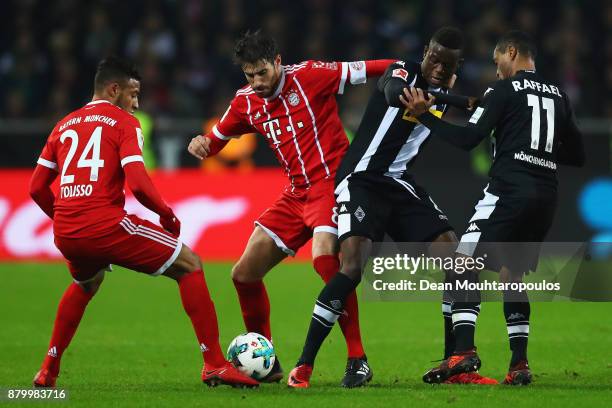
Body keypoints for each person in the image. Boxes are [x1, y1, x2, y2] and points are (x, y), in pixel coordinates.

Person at [29, 56, 258, 388]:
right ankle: (214, 364)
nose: (136, 103)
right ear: (114, 89)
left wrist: (65, 216)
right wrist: (166, 213)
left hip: (66, 231)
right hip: (105, 224)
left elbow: (36, 187)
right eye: (133, 94)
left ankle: (48, 370)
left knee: (86, 282)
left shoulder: (64, 124)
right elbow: (137, 182)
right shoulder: (123, 122)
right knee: (190, 264)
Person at [287, 27, 497, 388]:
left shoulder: (446, 96)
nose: (433, 65)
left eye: (443, 63)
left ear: (455, 65)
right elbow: (390, 90)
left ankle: (457, 366)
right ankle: (304, 366)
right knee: (352, 265)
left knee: (460, 262)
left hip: (399, 183)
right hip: (362, 179)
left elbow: (462, 135)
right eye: (431, 56)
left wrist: (465, 104)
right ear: (426, 51)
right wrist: (446, 99)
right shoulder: (404, 70)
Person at [188, 30, 394, 387]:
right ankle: (265, 361)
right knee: (244, 273)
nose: (257, 82)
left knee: (325, 261)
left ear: (278, 61)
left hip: (332, 185)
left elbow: (376, 67)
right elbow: (217, 140)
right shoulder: (244, 102)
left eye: (262, 73)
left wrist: (416, 71)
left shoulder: (311, 75)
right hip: (294, 193)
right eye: (249, 75)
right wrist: (202, 144)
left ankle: (357, 358)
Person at [400, 30, 585, 385]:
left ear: (512, 53)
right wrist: (534, 145)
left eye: (498, 62)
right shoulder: (559, 95)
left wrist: (425, 115)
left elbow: (468, 140)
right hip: (546, 198)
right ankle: (519, 364)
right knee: (512, 276)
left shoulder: (502, 90)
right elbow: (577, 155)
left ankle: (463, 352)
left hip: (509, 192)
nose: (497, 70)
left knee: (460, 262)